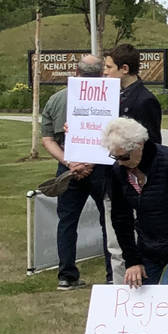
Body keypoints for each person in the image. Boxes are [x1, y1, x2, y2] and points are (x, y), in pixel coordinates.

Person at [102, 117, 168, 286]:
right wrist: (132, 261)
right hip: (148, 245)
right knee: (138, 296)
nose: (120, 163)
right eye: (115, 157)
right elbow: (121, 218)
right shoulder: (118, 171)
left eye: (124, 157)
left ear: (139, 145)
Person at [39, 55, 113, 291]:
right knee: (109, 220)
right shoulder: (109, 97)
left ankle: (67, 276)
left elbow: (47, 139)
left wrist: (70, 162)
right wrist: (88, 162)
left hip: (69, 168)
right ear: (101, 72)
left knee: (67, 222)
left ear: (76, 72)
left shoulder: (56, 99)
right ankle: (113, 274)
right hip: (101, 167)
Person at [108, 42, 163, 146]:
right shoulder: (111, 96)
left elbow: (153, 143)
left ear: (124, 69)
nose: (105, 72)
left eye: (109, 67)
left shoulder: (146, 101)